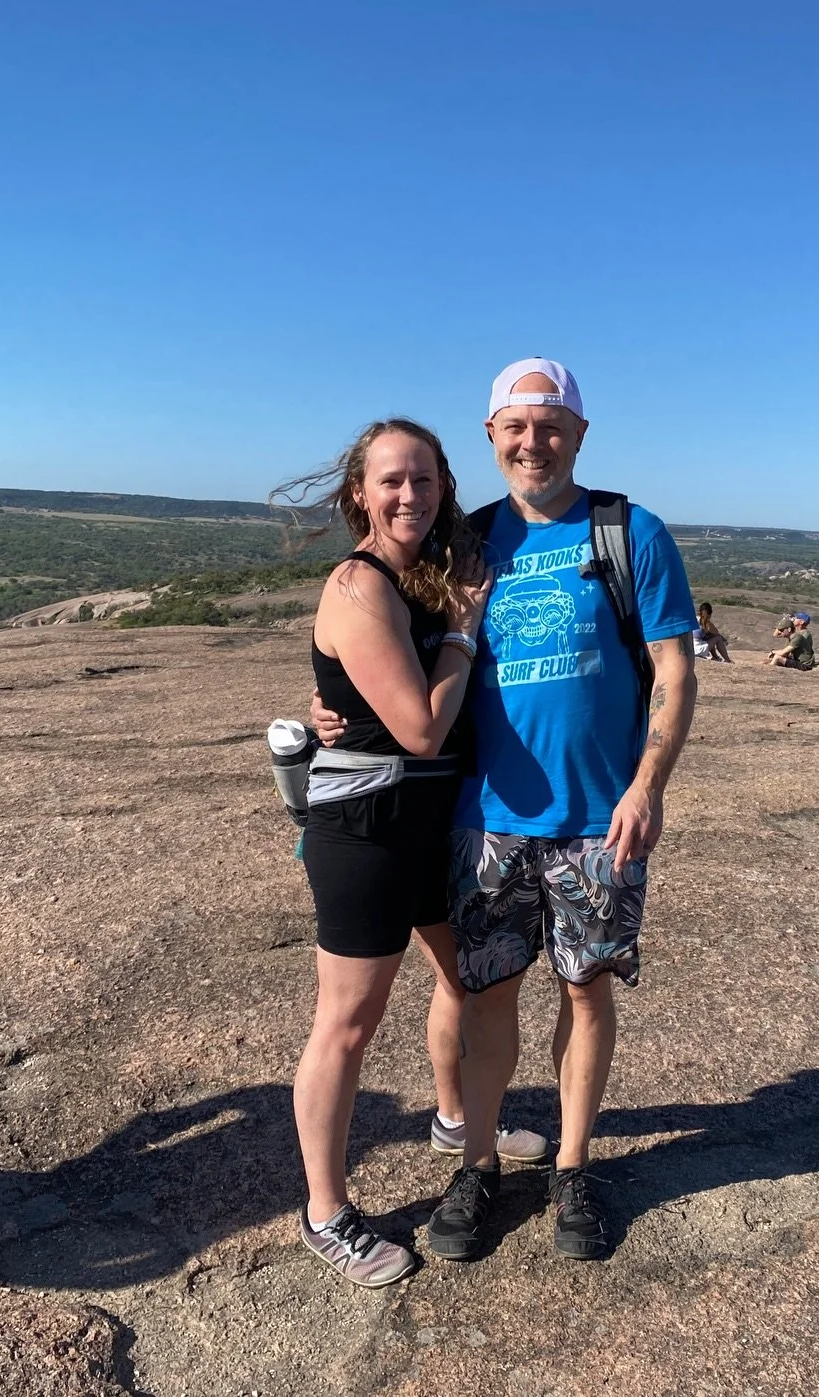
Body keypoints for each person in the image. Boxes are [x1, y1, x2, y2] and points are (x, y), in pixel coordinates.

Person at [311, 357, 697, 1262]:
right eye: (515, 427)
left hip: (601, 815)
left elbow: (676, 673)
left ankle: (569, 1167)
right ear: (490, 438)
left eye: (551, 424)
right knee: (485, 994)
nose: (534, 441)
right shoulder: (465, 546)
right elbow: (378, 652)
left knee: (585, 988)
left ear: (579, 433)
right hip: (485, 819)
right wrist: (323, 706)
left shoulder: (630, 532)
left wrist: (649, 786)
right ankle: (477, 1163)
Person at [274, 418, 546, 1289]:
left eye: (424, 481)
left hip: (432, 825)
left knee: (465, 978)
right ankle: (325, 1211)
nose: (409, 496)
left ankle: (458, 1121)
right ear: (360, 489)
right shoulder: (358, 585)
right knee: (348, 1024)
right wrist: (463, 635)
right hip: (369, 835)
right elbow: (423, 727)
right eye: (392, 480)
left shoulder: (425, 573)